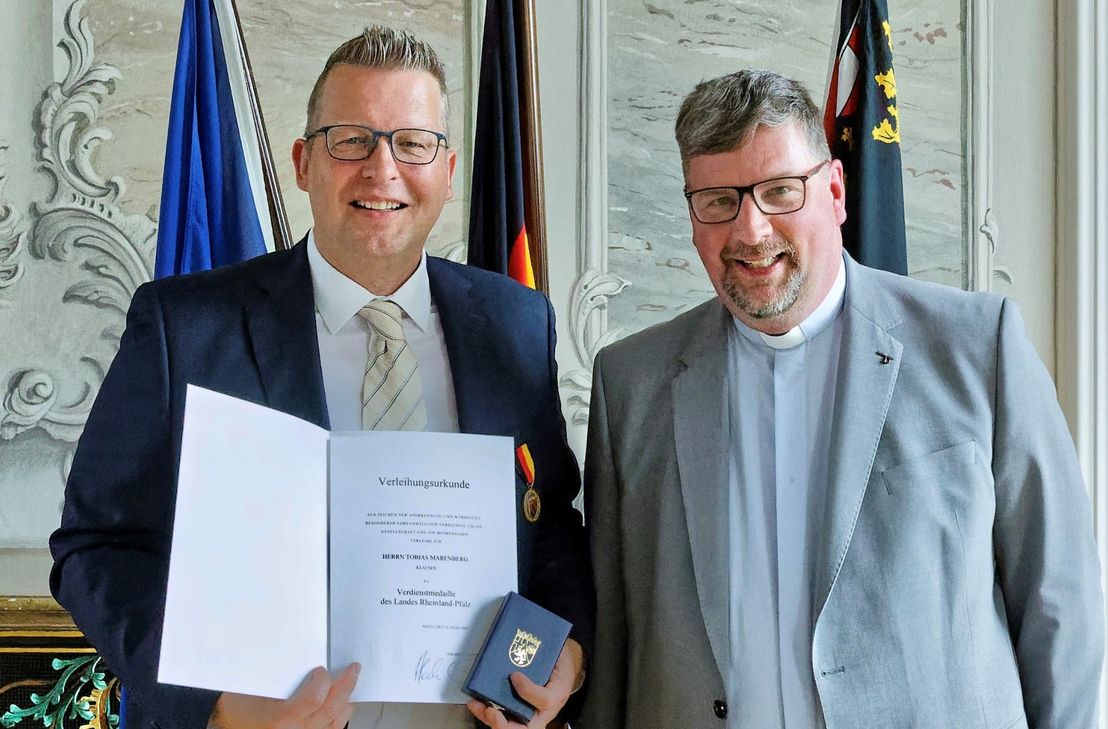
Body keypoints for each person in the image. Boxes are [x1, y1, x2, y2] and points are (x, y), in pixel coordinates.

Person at [50, 26, 591, 729]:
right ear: (304, 161)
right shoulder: (186, 328)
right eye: (352, 139)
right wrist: (212, 702)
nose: (382, 168)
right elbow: (95, 547)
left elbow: (549, 533)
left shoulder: (516, 326)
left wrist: (568, 658)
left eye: (412, 142)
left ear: (449, 169)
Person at [579, 68, 1102, 728]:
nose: (751, 230)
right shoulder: (630, 381)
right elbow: (614, 642)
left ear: (834, 191)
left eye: (779, 192)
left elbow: (1060, 603)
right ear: (692, 215)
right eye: (718, 201)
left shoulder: (977, 346)